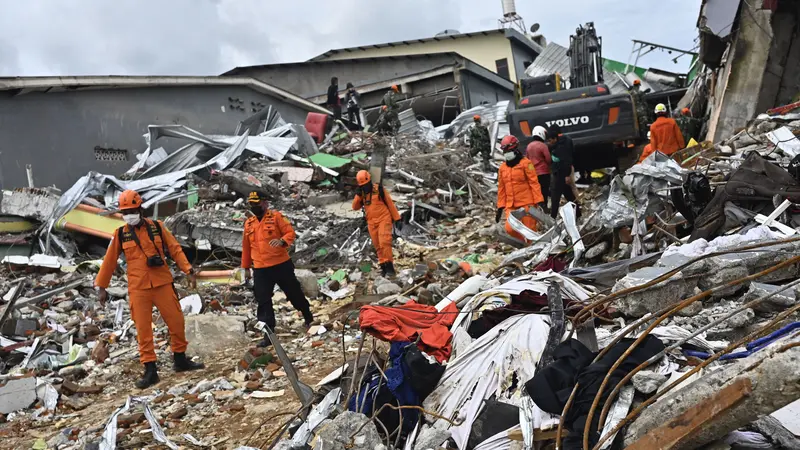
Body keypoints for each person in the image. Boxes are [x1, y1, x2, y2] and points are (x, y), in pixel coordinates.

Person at [95, 190, 204, 389]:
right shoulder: (120, 234)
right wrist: (102, 286)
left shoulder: (157, 227)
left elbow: (175, 249)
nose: (128, 214)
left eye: (132, 210)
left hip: (162, 283)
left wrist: (188, 269)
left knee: (176, 321)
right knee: (144, 330)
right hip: (138, 288)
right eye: (125, 211)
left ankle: (180, 359)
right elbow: (109, 261)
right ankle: (150, 370)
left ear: (140, 208)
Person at [241, 192, 314, 347]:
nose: (255, 207)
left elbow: (290, 233)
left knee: (294, 293)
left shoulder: (276, 217)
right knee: (263, 300)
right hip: (260, 269)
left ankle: (307, 316)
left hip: (281, 264)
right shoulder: (248, 224)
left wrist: (282, 241)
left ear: (265, 203)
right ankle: (268, 333)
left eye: (257, 204)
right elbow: (246, 248)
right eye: (252, 204)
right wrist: (246, 267)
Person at [352, 170, 401, 277]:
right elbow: (355, 207)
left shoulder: (378, 189)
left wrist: (397, 218)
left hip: (384, 218)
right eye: (362, 186)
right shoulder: (362, 194)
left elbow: (389, 203)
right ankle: (383, 267)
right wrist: (358, 195)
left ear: (369, 181)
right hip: (371, 222)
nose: (365, 187)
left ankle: (390, 268)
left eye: (365, 185)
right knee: (378, 246)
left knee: (384, 243)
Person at [496, 135, 545, 243]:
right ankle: (523, 244)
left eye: (509, 150)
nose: (507, 153)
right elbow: (501, 188)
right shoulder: (503, 168)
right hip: (511, 205)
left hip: (527, 204)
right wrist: (500, 207)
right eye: (505, 151)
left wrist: (539, 201)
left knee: (529, 232)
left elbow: (534, 183)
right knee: (510, 229)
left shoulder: (526, 164)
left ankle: (531, 253)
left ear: (515, 149)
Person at [546, 124, 578, 218]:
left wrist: (567, 175)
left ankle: (552, 218)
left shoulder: (559, 147)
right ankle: (578, 214)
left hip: (561, 174)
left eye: (550, 140)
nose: (549, 142)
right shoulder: (567, 141)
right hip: (563, 173)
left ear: (554, 137)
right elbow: (572, 154)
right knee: (569, 195)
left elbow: (565, 161)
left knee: (555, 198)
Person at [526, 125, 552, 208]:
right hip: (544, 172)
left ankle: (538, 207)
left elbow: (527, 160)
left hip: (533, 174)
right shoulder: (543, 146)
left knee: (537, 191)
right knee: (545, 191)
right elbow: (548, 159)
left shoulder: (529, 146)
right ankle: (545, 208)